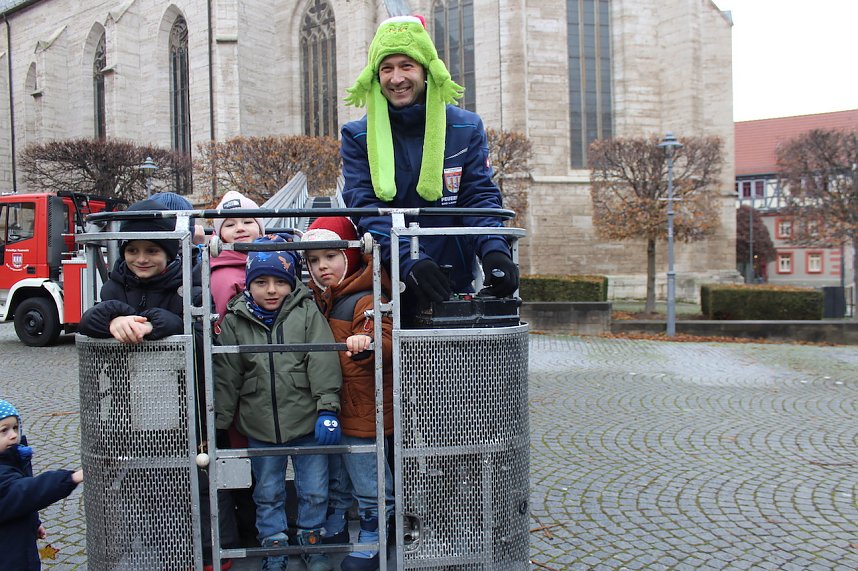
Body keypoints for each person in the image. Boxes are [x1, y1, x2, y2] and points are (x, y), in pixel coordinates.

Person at [77, 199, 237, 570]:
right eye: (133, 250)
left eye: (151, 250)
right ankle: (163, 550)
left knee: (198, 482)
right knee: (146, 483)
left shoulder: (190, 282)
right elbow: (92, 318)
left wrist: (152, 324)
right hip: (132, 408)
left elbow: (197, 327)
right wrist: (115, 320)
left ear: (169, 252)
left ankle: (214, 553)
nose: (141, 258)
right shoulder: (116, 285)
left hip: (186, 405)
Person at [340, 15, 519, 318]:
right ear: (375, 76)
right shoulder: (357, 135)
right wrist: (410, 260)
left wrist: (494, 250)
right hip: (388, 283)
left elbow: (477, 196)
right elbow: (366, 207)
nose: (396, 78)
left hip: (456, 278)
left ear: (426, 70)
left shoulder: (465, 127)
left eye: (406, 66)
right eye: (387, 68)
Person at [213, 235, 343, 571]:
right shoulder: (236, 319)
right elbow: (227, 373)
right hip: (260, 423)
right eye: (261, 282)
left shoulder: (306, 312)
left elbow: (322, 359)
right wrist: (219, 422)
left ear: (291, 284)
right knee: (267, 492)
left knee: (314, 489)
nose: (271, 290)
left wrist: (327, 409)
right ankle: (274, 545)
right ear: (249, 284)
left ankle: (311, 539)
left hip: (306, 420)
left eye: (279, 283)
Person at [302, 217, 394, 571]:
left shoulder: (367, 295)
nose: (322, 266)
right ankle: (339, 521)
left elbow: (382, 334)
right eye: (313, 260)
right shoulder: (321, 297)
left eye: (331, 256)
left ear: (351, 256)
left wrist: (367, 341)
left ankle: (373, 534)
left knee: (368, 474)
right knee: (338, 470)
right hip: (336, 404)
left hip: (363, 406)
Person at [0, 399, 83, 571]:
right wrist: (71, 478)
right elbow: (24, 491)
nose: (14, 435)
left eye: (15, 428)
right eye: (4, 430)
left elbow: (16, 503)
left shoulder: (13, 460)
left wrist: (33, 522)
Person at [210, 191, 266, 329]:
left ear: (260, 230)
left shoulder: (272, 260)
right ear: (220, 235)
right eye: (230, 225)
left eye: (247, 222)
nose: (240, 228)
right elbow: (222, 325)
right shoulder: (224, 277)